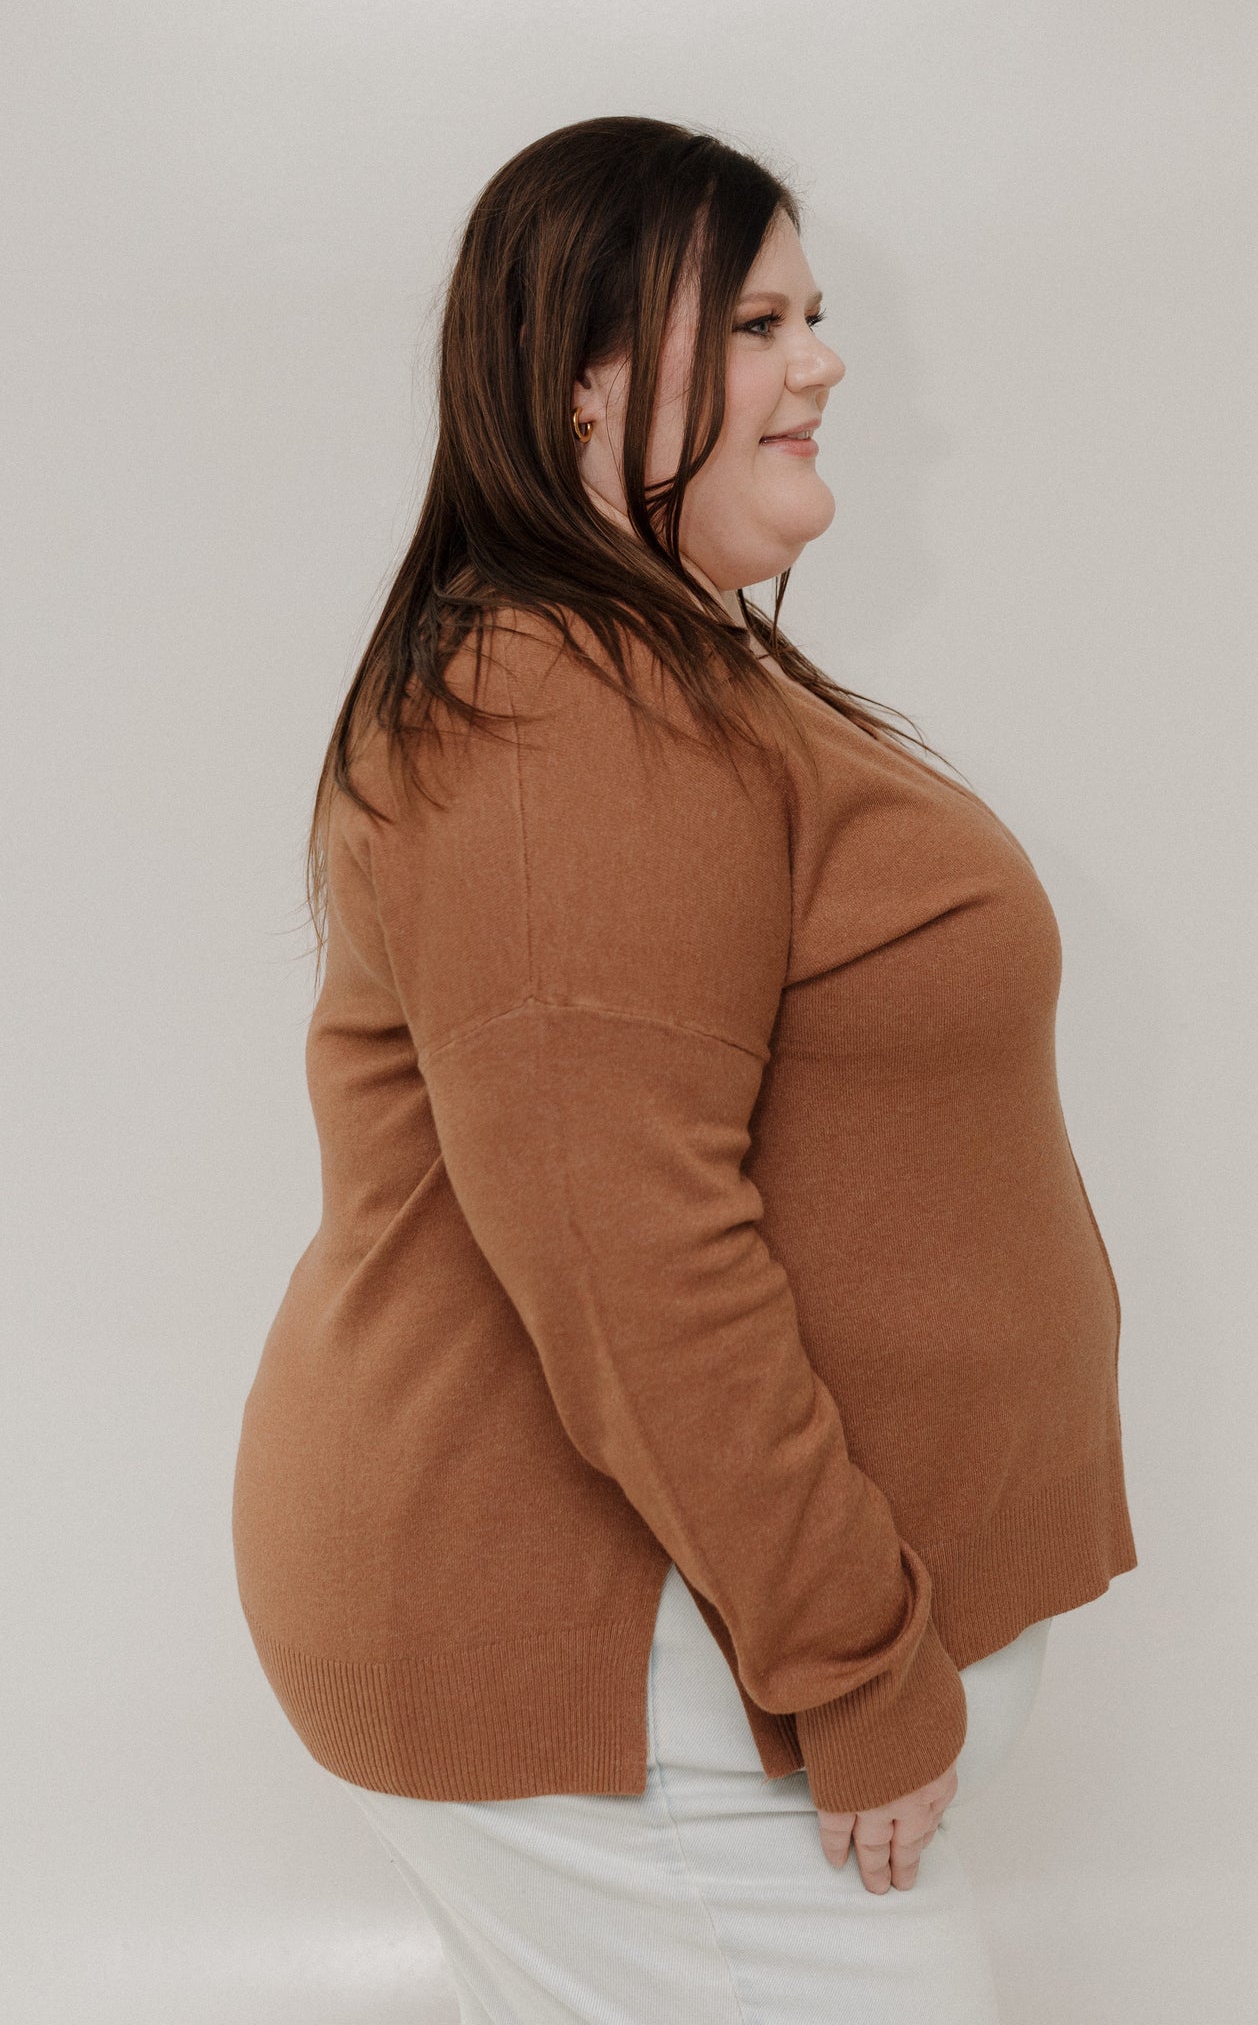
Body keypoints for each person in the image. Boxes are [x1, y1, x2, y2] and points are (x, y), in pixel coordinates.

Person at [231, 114, 1138, 2023]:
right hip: (640, 1688)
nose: (819, 363)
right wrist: (852, 1667)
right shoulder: (550, 708)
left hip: (691, 1692)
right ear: (577, 378)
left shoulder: (658, 672)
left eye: (809, 319)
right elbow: (627, 1254)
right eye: (750, 324)